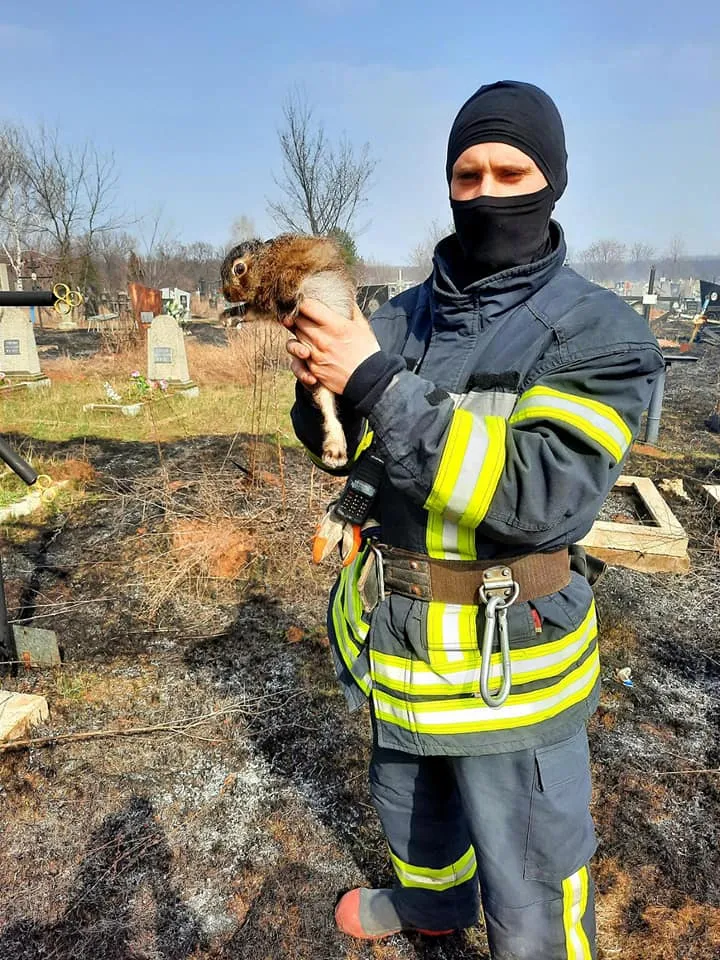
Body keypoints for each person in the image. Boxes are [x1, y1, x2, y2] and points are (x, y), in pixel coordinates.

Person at [286, 80, 663, 960]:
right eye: (467, 175)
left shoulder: (598, 333)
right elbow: (348, 454)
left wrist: (373, 380)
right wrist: (317, 396)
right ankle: (432, 907)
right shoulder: (399, 316)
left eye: (510, 172)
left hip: (509, 665)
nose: (487, 192)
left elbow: (542, 495)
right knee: (413, 816)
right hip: (399, 645)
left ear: (552, 181)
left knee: (532, 883)